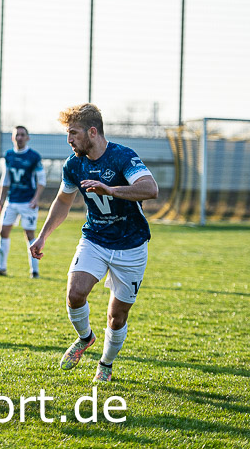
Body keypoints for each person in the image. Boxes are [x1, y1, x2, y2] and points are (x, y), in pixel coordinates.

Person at [29, 103, 158, 383]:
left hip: (131, 245)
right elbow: (63, 201)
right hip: (95, 239)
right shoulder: (73, 164)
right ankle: (85, 338)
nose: (69, 140)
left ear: (92, 132)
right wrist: (43, 235)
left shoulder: (122, 156)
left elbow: (150, 189)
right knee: (75, 293)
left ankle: (106, 363)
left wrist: (111, 190)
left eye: (73, 133)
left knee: (117, 317)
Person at [0, 125, 46, 278]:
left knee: (30, 234)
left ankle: (34, 271)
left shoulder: (34, 156)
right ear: (13, 138)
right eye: (17, 135)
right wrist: (0, 199)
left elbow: (41, 180)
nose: (19, 137)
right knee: (3, 231)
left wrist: (36, 199)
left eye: (22, 135)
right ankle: (1, 268)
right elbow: (6, 179)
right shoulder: (9, 155)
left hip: (28, 202)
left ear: (27, 138)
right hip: (11, 201)